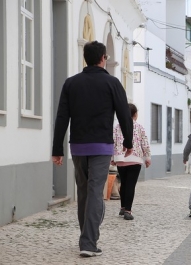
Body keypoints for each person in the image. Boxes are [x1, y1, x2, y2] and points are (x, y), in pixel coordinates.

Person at [51, 41, 133, 258]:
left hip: (78, 147)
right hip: (101, 147)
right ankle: (88, 242)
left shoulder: (71, 83)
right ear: (103, 58)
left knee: (84, 192)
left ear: (85, 58)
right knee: (96, 192)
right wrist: (128, 141)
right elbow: (124, 114)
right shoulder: (112, 83)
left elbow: (62, 117)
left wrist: (57, 148)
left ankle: (85, 237)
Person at [112, 103, 151, 220]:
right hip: (135, 159)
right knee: (130, 185)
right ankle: (128, 211)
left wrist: (112, 158)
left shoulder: (117, 127)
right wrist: (147, 157)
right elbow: (144, 143)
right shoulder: (139, 127)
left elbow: (112, 143)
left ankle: (123, 207)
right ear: (135, 114)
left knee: (123, 183)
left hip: (120, 159)